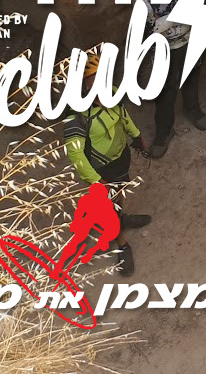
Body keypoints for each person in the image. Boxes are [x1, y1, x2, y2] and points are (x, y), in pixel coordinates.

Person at [61, 51, 150, 276]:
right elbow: (76, 156)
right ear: (83, 86)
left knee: (118, 197)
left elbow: (123, 116)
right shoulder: (76, 116)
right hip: (100, 171)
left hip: (120, 160)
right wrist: (97, 182)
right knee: (109, 207)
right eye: (94, 79)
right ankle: (122, 245)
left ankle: (121, 216)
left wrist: (137, 137)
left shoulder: (111, 94)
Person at [132, 0, 206, 157]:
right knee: (165, 90)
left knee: (191, 75)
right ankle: (164, 132)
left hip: (189, 39)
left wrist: (165, 19)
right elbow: (150, 26)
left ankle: (192, 108)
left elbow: (199, 6)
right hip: (162, 47)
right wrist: (182, 12)